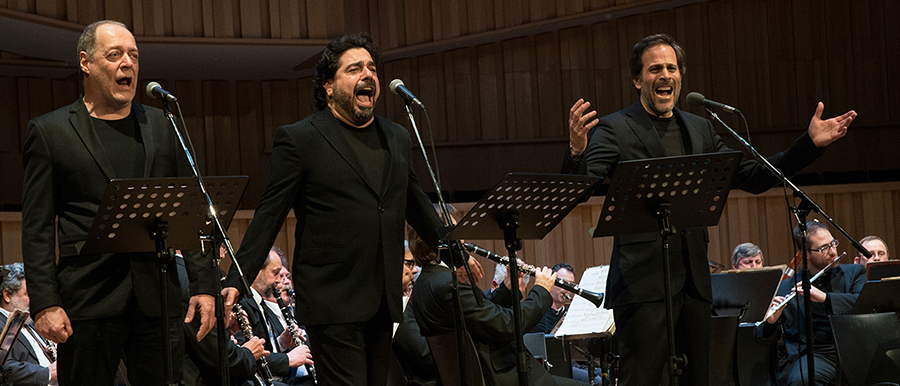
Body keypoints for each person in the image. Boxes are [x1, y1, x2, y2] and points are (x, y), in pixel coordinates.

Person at [563, 33, 857, 385]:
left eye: (672, 68)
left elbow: (752, 176)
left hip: (693, 284)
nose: (665, 75)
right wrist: (576, 153)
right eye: (655, 69)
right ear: (637, 79)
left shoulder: (700, 128)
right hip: (642, 285)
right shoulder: (615, 128)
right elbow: (582, 189)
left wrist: (808, 145)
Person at [222, 32, 482, 385]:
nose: (368, 75)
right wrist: (236, 280)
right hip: (331, 299)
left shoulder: (396, 137)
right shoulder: (301, 139)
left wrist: (456, 255)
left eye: (372, 68)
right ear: (329, 86)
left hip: (381, 298)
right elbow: (269, 216)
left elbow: (417, 206)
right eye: (355, 68)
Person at [21, 20, 216, 386]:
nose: (128, 63)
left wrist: (204, 286)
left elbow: (190, 210)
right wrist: (45, 302)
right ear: (85, 63)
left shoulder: (163, 124)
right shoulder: (51, 132)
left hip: (156, 295)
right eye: (115, 55)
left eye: (134, 56)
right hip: (88, 298)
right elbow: (37, 227)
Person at [759, 220, 865, 386]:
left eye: (833, 244)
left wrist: (824, 297)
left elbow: (864, 304)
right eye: (824, 248)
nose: (833, 252)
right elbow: (764, 340)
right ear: (805, 253)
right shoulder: (787, 287)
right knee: (802, 380)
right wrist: (770, 323)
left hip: (855, 349)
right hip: (815, 355)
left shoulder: (855, 273)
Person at [236, 248, 314, 384]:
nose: (279, 281)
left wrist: (282, 344)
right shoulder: (241, 303)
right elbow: (243, 356)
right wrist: (287, 360)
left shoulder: (259, 302)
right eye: (275, 273)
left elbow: (264, 350)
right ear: (256, 271)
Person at [0, 263, 58, 386]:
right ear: (8, 295)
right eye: (28, 294)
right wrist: (48, 373)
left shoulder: (30, 321)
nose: (35, 300)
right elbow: (4, 367)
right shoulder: (2, 324)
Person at [530, 263, 575, 334]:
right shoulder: (535, 313)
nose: (566, 289)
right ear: (551, 282)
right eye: (562, 283)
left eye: (570, 285)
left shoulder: (571, 316)